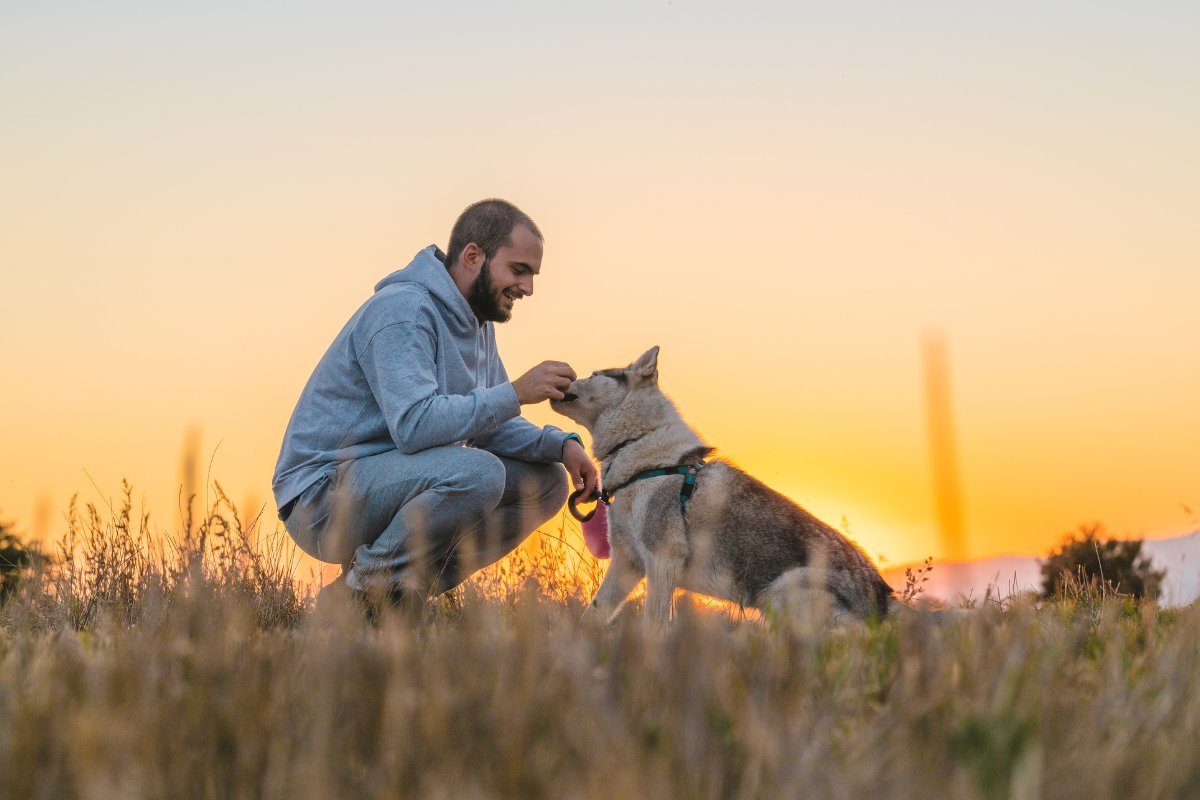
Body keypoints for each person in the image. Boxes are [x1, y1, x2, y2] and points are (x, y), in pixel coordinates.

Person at [272, 199, 598, 613]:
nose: (528, 288)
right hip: (320, 498)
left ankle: (400, 597)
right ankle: (359, 594)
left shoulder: (476, 324)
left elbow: (489, 423)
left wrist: (561, 444)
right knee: (478, 473)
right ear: (473, 256)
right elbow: (414, 426)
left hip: (390, 481)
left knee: (547, 483)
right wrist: (515, 392)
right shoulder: (403, 311)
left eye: (532, 275)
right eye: (519, 270)